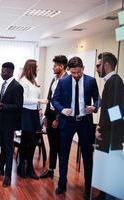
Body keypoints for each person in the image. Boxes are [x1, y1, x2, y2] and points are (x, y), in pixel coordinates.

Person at [52, 56, 99, 199]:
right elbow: (55, 100)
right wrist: (61, 110)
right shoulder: (63, 82)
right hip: (68, 121)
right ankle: (62, 183)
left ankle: (88, 185)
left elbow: (97, 98)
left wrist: (94, 107)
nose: (76, 75)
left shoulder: (91, 81)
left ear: (83, 68)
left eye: (78, 72)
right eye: (73, 73)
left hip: (85, 122)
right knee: (64, 154)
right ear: (68, 70)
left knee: (87, 156)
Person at [0, 62, 23, 187]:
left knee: (8, 149)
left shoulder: (17, 86)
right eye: (1, 71)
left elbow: (18, 106)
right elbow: (5, 101)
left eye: (4, 72)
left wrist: (2, 105)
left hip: (9, 123)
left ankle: (8, 176)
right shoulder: (4, 84)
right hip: (1, 121)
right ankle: (0, 169)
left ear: (11, 72)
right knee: (2, 146)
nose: (2, 73)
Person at [17, 59, 48, 179]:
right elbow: (23, 100)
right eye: (37, 67)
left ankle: (28, 166)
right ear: (31, 68)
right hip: (26, 113)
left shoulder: (34, 81)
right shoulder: (23, 82)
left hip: (34, 113)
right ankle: (24, 166)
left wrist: (39, 108)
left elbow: (35, 96)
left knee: (32, 142)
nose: (38, 69)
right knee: (27, 141)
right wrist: (39, 101)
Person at [40, 55, 68, 179]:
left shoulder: (67, 80)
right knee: (52, 143)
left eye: (55, 66)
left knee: (60, 146)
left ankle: (62, 175)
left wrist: (57, 119)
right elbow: (50, 98)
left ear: (61, 67)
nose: (53, 67)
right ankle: (51, 169)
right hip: (50, 114)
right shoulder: (54, 79)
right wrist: (46, 115)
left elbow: (65, 102)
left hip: (60, 116)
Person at [95, 52, 124, 153]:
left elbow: (115, 111)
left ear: (106, 65)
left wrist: (101, 129)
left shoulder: (114, 81)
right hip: (109, 133)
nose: (96, 69)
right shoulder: (112, 81)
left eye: (98, 65)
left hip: (110, 135)